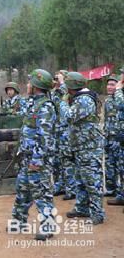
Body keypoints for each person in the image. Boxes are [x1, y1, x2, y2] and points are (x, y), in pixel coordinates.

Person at [10, 69, 56, 241]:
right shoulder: (32, 103)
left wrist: (36, 160)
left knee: (42, 193)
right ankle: (19, 222)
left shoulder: (46, 106)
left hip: (38, 159)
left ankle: (48, 226)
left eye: (30, 83)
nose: (27, 85)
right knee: (22, 189)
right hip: (26, 156)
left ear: (36, 86)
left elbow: (45, 137)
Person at [60, 72, 105, 224]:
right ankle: (82, 208)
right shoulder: (80, 98)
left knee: (92, 181)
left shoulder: (84, 99)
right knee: (80, 179)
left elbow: (69, 116)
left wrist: (63, 103)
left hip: (89, 148)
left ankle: (97, 213)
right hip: (81, 147)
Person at [50, 71, 76, 200]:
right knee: (56, 161)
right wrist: (55, 86)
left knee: (67, 161)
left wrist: (62, 82)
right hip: (56, 130)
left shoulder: (68, 90)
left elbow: (67, 92)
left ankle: (71, 189)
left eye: (59, 77)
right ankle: (59, 186)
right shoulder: (56, 92)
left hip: (66, 130)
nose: (56, 79)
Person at [109, 67, 124, 207]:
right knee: (121, 168)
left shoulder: (120, 93)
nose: (121, 78)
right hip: (121, 138)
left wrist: (118, 89)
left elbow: (121, 105)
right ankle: (121, 195)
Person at [104, 75, 120, 198]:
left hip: (119, 139)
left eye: (112, 84)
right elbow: (105, 120)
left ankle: (121, 192)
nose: (109, 87)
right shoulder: (107, 101)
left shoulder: (121, 100)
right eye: (108, 84)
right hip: (108, 138)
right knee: (109, 164)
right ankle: (111, 190)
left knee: (120, 166)